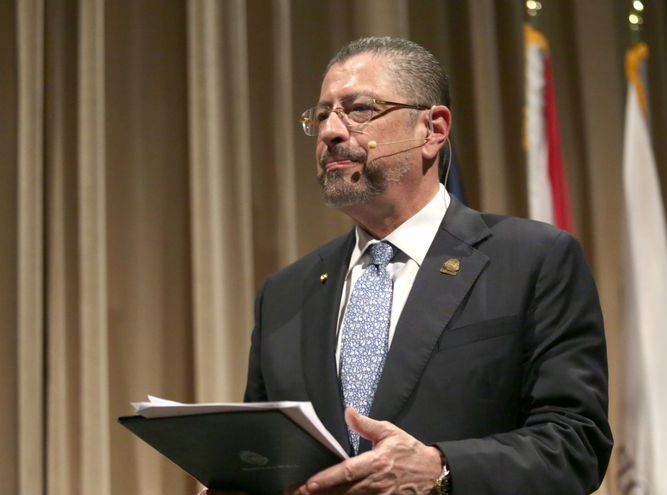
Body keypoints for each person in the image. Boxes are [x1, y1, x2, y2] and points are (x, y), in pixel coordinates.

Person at [204, 36, 611, 495]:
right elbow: (265, 456)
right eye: (322, 115)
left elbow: (577, 443)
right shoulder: (284, 294)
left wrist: (441, 469)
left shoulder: (532, 260)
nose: (330, 132)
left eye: (358, 109)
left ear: (433, 130)